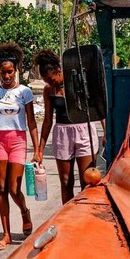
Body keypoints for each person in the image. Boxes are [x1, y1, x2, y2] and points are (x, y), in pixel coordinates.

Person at [0, 43, 39, 251]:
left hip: (18, 141)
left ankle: (24, 211)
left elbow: (31, 122)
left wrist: (38, 150)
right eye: (2, 72)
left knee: (14, 188)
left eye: (9, 72)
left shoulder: (25, 93)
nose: (6, 76)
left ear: (15, 71)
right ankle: (5, 234)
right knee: (1, 188)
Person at [34, 49, 105, 204]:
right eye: (47, 81)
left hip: (84, 130)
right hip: (62, 134)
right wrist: (40, 150)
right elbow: (47, 121)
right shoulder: (49, 91)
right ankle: (68, 218)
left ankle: (87, 217)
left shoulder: (79, 82)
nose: (50, 84)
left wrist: (106, 131)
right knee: (66, 182)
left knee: (88, 180)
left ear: (59, 71)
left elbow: (98, 108)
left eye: (52, 80)